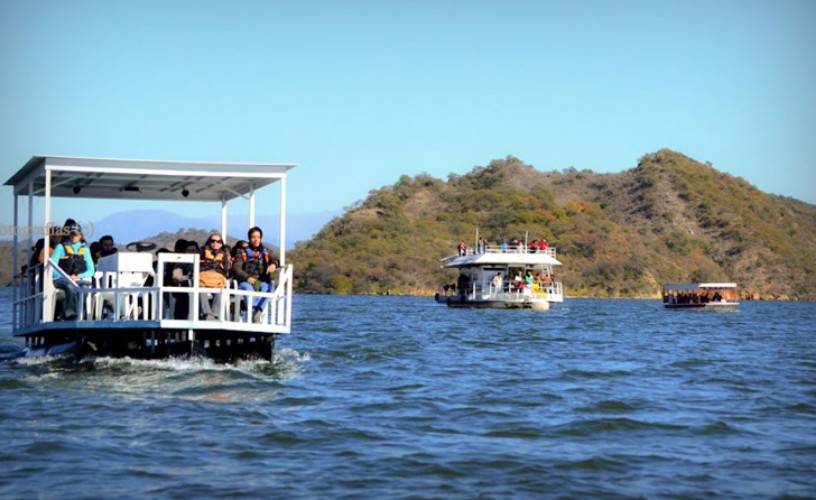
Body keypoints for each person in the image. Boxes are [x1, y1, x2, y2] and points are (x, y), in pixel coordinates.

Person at [49, 222, 95, 320]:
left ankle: (82, 314)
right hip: (61, 279)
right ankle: (70, 314)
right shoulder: (60, 247)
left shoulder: (85, 250)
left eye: (76, 234)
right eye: (72, 234)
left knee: (85, 289)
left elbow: (91, 270)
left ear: (80, 235)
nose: (74, 236)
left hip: (77, 279)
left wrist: (77, 277)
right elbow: (52, 267)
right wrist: (67, 277)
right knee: (70, 287)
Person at [232, 227, 275, 323]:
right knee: (248, 289)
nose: (256, 240)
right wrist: (247, 277)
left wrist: (274, 264)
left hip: (259, 282)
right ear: (249, 238)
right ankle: (253, 313)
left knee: (267, 287)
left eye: (258, 237)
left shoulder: (266, 251)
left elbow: (276, 259)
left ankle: (256, 312)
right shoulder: (241, 251)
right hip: (245, 281)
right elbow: (236, 267)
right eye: (253, 237)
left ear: (261, 238)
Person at [198, 233, 229, 320]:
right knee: (201, 290)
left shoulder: (224, 255)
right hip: (203, 279)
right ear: (209, 242)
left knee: (220, 291)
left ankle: (215, 315)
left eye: (218, 241)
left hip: (218, 281)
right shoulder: (201, 252)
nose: (216, 243)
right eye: (213, 241)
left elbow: (226, 270)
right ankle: (207, 313)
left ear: (221, 243)